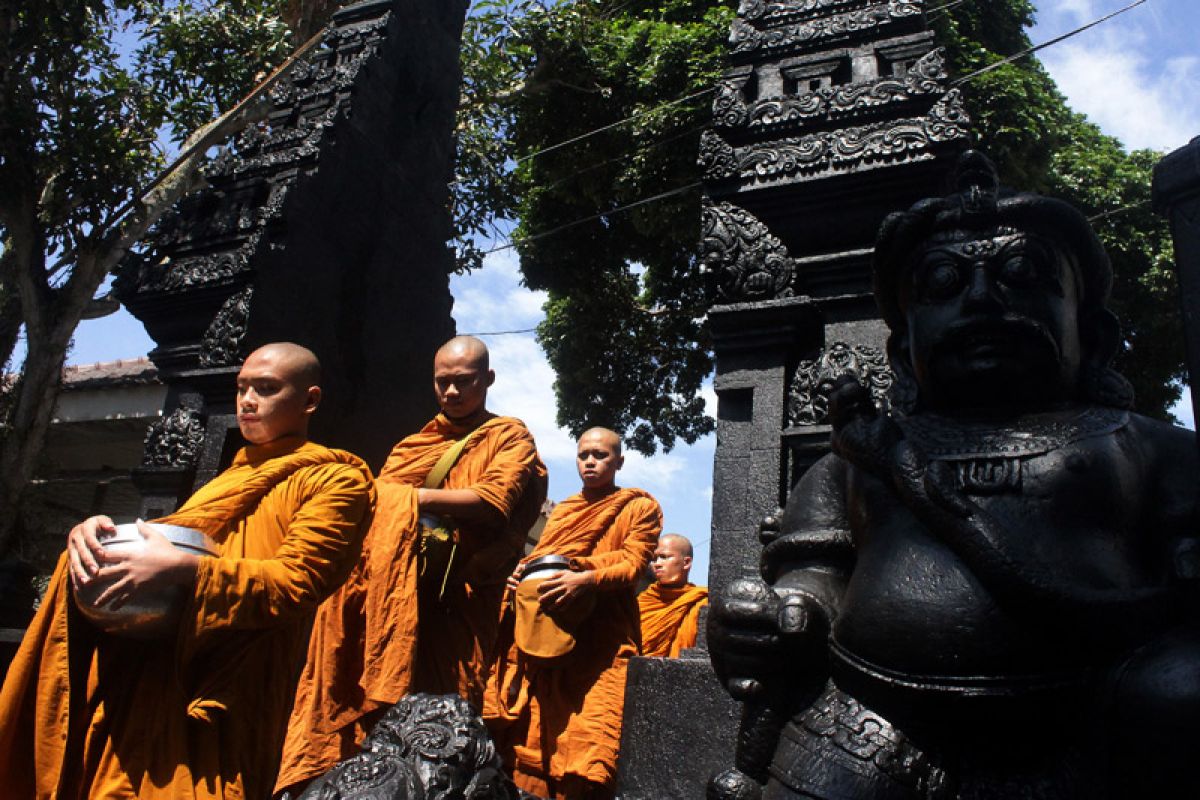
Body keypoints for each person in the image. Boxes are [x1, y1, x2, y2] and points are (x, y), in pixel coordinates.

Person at [707, 151, 1200, 799]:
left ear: (1092, 333)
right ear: (903, 350)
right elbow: (820, 570)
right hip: (876, 720)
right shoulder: (858, 461)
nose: (979, 301)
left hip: (1092, 721)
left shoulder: (1146, 449)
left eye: (1021, 276)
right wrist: (788, 612)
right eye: (941, 284)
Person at [0, 342, 376, 799]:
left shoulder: (336, 479)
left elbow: (296, 584)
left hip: (228, 691)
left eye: (266, 388)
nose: (247, 401)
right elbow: (165, 541)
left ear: (309, 400)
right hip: (147, 680)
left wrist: (183, 570)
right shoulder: (229, 480)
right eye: (241, 389)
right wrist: (93, 534)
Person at [277, 335, 547, 794]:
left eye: (463, 382)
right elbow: (372, 522)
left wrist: (401, 497)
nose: (452, 393)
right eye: (443, 383)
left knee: (446, 716)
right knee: (372, 720)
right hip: (387, 604)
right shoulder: (414, 444)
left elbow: (491, 502)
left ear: (488, 380)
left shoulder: (509, 436)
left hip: (455, 602)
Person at [484, 427, 662, 800]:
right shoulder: (564, 510)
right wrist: (522, 573)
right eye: (584, 456)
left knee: (592, 747)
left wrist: (586, 578)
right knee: (534, 744)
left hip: (601, 649)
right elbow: (542, 561)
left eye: (601, 455)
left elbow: (632, 564)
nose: (591, 462)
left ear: (619, 461)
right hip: (547, 644)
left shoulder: (639, 507)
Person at [638, 533, 708, 658]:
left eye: (664, 557)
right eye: (654, 559)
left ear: (686, 562)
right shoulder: (643, 602)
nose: (657, 564)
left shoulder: (700, 601)